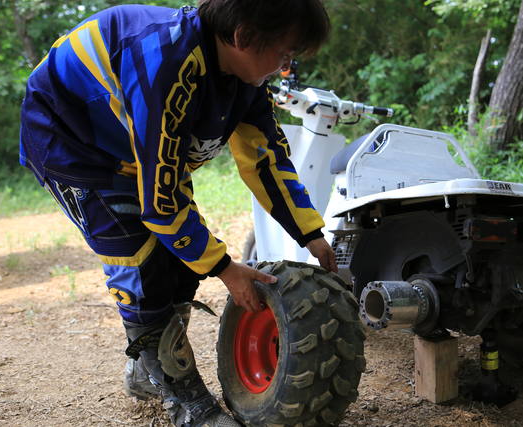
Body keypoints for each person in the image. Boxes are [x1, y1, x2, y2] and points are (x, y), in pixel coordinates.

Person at [19, 1, 333, 426]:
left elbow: (266, 159)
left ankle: (148, 371)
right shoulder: (165, 62)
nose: (285, 67)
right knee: (141, 265)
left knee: (183, 262)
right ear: (243, 36)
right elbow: (161, 205)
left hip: (140, 152)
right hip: (74, 145)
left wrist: (310, 233)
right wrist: (227, 268)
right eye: (284, 54)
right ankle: (188, 405)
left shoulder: (244, 79)